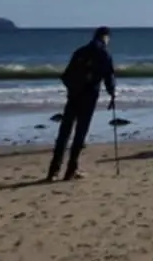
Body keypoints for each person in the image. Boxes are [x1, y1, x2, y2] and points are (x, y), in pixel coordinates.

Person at [48, 27, 117, 182]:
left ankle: (53, 171)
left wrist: (73, 89)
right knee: (80, 133)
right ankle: (71, 170)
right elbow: (109, 76)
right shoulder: (104, 53)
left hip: (73, 95)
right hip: (89, 95)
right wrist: (112, 92)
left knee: (64, 133)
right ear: (105, 37)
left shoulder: (80, 51)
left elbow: (65, 76)